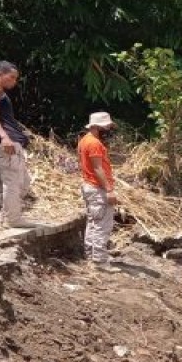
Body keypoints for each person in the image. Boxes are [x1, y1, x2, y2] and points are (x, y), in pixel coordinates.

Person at [0, 61, 33, 228]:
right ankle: (13, 220)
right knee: (13, 183)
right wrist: (4, 137)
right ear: (0, 74)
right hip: (8, 145)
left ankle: (6, 217)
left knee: (23, 183)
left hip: (11, 144)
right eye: (12, 77)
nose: (14, 81)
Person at [78, 112, 118, 268]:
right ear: (97, 126)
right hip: (97, 188)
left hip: (89, 186)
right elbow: (97, 168)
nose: (108, 129)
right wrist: (109, 190)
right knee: (102, 225)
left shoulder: (84, 140)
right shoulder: (94, 143)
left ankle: (91, 255)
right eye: (106, 126)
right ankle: (100, 261)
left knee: (93, 223)